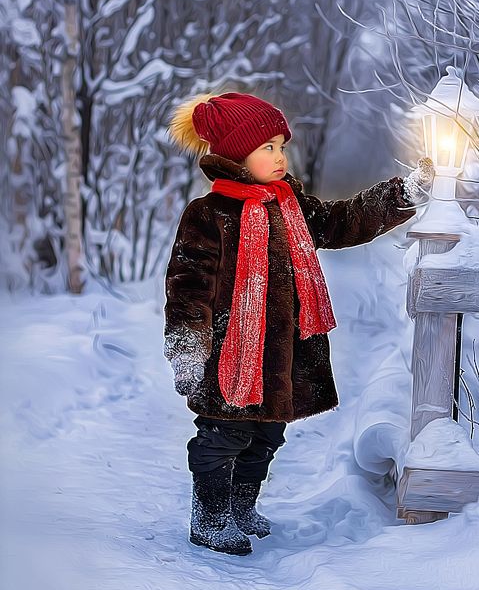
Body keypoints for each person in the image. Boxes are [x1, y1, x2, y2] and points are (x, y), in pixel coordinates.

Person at [164, 91, 435, 555]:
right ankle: (210, 518)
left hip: (284, 353)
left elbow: (339, 222)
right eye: (266, 147)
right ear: (235, 154)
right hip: (233, 353)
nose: (280, 156)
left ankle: (241, 507)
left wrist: (400, 195)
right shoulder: (207, 215)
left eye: (280, 145)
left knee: (268, 433)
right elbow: (187, 287)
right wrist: (188, 349)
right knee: (223, 436)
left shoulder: (289, 203)